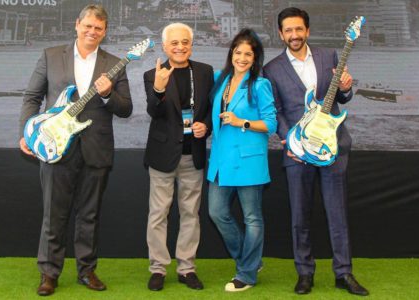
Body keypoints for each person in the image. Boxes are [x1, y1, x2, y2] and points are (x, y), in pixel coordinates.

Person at [19, 4, 132, 296]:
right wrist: (27, 133)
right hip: (56, 145)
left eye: (99, 28)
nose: (92, 32)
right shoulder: (51, 55)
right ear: (77, 25)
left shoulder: (115, 63)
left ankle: (87, 271)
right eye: (88, 26)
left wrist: (108, 94)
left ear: (105, 32)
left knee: (89, 215)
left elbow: (126, 108)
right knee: (53, 214)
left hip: (96, 148)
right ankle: (49, 272)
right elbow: (32, 97)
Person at [263, 7, 368, 296]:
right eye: (288, 30)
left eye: (299, 29)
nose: (294, 35)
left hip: (332, 147)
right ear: (281, 34)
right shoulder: (271, 69)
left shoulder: (328, 56)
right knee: (300, 216)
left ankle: (344, 273)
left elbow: (341, 96)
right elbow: (277, 112)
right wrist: (291, 142)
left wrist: (346, 87)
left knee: (337, 214)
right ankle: (304, 273)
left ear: (307, 31)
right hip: (298, 153)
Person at [143, 23, 213, 291]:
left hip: (192, 155)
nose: (180, 47)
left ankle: (187, 268)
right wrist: (159, 89)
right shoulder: (153, 74)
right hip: (162, 156)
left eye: (185, 42)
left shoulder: (205, 72)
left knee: (190, 214)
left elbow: (210, 108)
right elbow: (153, 111)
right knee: (158, 214)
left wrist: (205, 125)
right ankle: (158, 268)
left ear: (191, 45)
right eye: (174, 43)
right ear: (164, 46)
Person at [207, 28, 277, 292]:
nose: (243, 57)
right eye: (238, 52)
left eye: (249, 53)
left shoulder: (260, 84)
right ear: (231, 53)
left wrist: (242, 122)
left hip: (249, 162)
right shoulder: (219, 80)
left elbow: (271, 124)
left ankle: (246, 274)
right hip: (221, 161)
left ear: (255, 57)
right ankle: (250, 260)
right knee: (217, 212)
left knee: (252, 218)